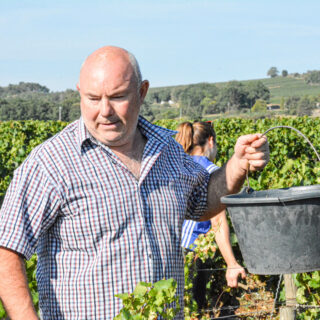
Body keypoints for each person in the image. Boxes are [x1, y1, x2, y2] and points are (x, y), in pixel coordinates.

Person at [0, 46, 269, 319]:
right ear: (80, 92)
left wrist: (237, 165)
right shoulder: (52, 162)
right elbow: (6, 248)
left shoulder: (167, 149)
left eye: (117, 97)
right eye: (93, 98)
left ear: (142, 93)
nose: (104, 111)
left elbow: (203, 200)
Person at [176, 121, 246, 310]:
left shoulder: (177, 166)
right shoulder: (212, 172)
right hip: (192, 251)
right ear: (211, 141)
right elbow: (218, 221)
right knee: (195, 307)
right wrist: (232, 264)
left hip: (170, 249)